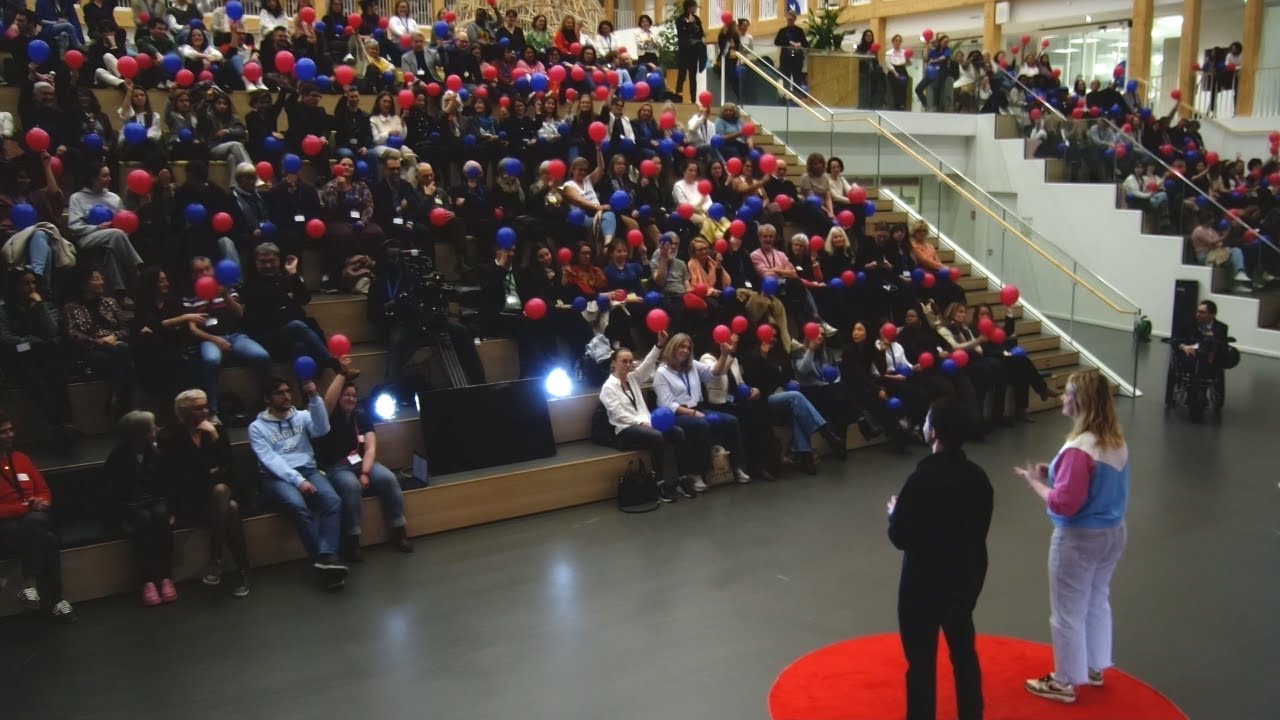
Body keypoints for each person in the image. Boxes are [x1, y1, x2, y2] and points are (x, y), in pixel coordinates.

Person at [1018, 371, 1129, 704]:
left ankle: (1064, 681)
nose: (1062, 397)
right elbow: (1090, 478)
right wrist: (1052, 471)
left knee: (1066, 610)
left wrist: (1036, 483)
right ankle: (1094, 665)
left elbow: (1065, 502)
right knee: (1096, 600)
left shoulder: (1079, 448)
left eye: (1067, 393)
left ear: (1080, 401)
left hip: (1079, 539)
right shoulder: (1113, 439)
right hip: (1112, 534)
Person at [888, 397, 992, 720]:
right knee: (963, 652)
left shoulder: (919, 481)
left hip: (923, 584)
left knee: (920, 662)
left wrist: (894, 514)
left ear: (933, 433)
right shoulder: (979, 478)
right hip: (964, 579)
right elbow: (978, 528)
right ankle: (971, 713)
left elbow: (900, 537)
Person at [250, 376, 350, 590]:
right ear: (267, 398)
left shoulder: (301, 416)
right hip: (275, 478)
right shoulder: (257, 427)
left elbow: (322, 429)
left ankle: (326, 556)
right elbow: (270, 461)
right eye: (279, 393)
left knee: (332, 500)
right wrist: (298, 481)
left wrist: (314, 397)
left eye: (288, 391)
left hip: (308, 470)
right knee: (298, 506)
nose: (286, 396)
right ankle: (324, 563)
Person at [157, 389, 250, 596]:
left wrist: (216, 438)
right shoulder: (170, 436)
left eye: (206, 406)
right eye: (199, 408)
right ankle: (242, 572)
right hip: (189, 500)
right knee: (230, 507)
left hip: (218, 494)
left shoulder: (216, 431)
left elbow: (228, 468)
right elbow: (181, 475)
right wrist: (212, 471)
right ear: (184, 412)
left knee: (223, 494)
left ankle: (216, 563)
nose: (205, 412)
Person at [318, 362, 413, 561]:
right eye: (346, 395)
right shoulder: (328, 416)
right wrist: (342, 374)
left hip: (362, 464)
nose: (350, 398)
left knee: (388, 479)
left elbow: (370, 448)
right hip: (337, 468)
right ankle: (352, 540)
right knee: (350, 487)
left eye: (353, 395)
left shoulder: (362, 416)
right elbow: (327, 400)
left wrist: (365, 472)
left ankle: (399, 530)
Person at [599, 332, 694, 502]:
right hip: (625, 429)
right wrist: (642, 422)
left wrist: (659, 345)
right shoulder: (608, 388)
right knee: (657, 436)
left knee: (678, 432)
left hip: (647, 423)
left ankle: (683, 479)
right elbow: (619, 415)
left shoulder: (633, 378)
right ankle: (660, 483)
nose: (628, 365)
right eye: (624, 361)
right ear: (614, 363)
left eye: (630, 361)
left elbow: (648, 364)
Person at [0, 413, 77, 622]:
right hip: (7, 528)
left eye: (10, 430)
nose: (9, 435)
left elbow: (43, 490)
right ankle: (56, 600)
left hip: (33, 519)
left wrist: (40, 501)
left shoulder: (21, 459)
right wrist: (25, 507)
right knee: (48, 539)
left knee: (35, 523)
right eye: (3, 432)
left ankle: (30, 584)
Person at [653, 332, 750, 488]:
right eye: (681, 346)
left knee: (731, 421)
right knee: (700, 425)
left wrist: (724, 355)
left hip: (698, 408)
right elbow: (668, 404)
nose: (685, 350)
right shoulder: (662, 372)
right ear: (672, 348)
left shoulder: (692, 365)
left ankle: (736, 466)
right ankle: (697, 473)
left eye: (688, 347)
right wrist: (692, 413)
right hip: (676, 414)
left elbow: (714, 373)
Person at [103, 410, 177, 606]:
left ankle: (165, 577)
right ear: (140, 434)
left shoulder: (156, 453)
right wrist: (121, 519)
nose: (157, 429)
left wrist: (170, 509)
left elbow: (167, 485)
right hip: (130, 504)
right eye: (152, 427)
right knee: (142, 520)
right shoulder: (117, 458)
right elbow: (111, 494)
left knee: (161, 516)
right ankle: (148, 580)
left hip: (154, 500)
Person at [67, 164, 144, 295]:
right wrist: (97, 227)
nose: (109, 178)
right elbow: (74, 226)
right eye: (105, 175)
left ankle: (120, 292)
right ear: (93, 179)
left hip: (114, 237)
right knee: (116, 234)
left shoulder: (113, 198)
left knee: (111, 250)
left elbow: (125, 219)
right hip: (87, 237)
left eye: (109, 175)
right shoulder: (77, 197)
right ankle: (138, 268)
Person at [674, 0, 704, 100]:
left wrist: (694, 24)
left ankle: (693, 98)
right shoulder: (680, 19)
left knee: (693, 76)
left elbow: (700, 34)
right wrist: (689, 24)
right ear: (689, 7)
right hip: (683, 52)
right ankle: (678, 96)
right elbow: (681, 34)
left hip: (693, 52)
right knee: (681, 75)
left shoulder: (697, 19)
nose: (695, 9)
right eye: (694, 7)